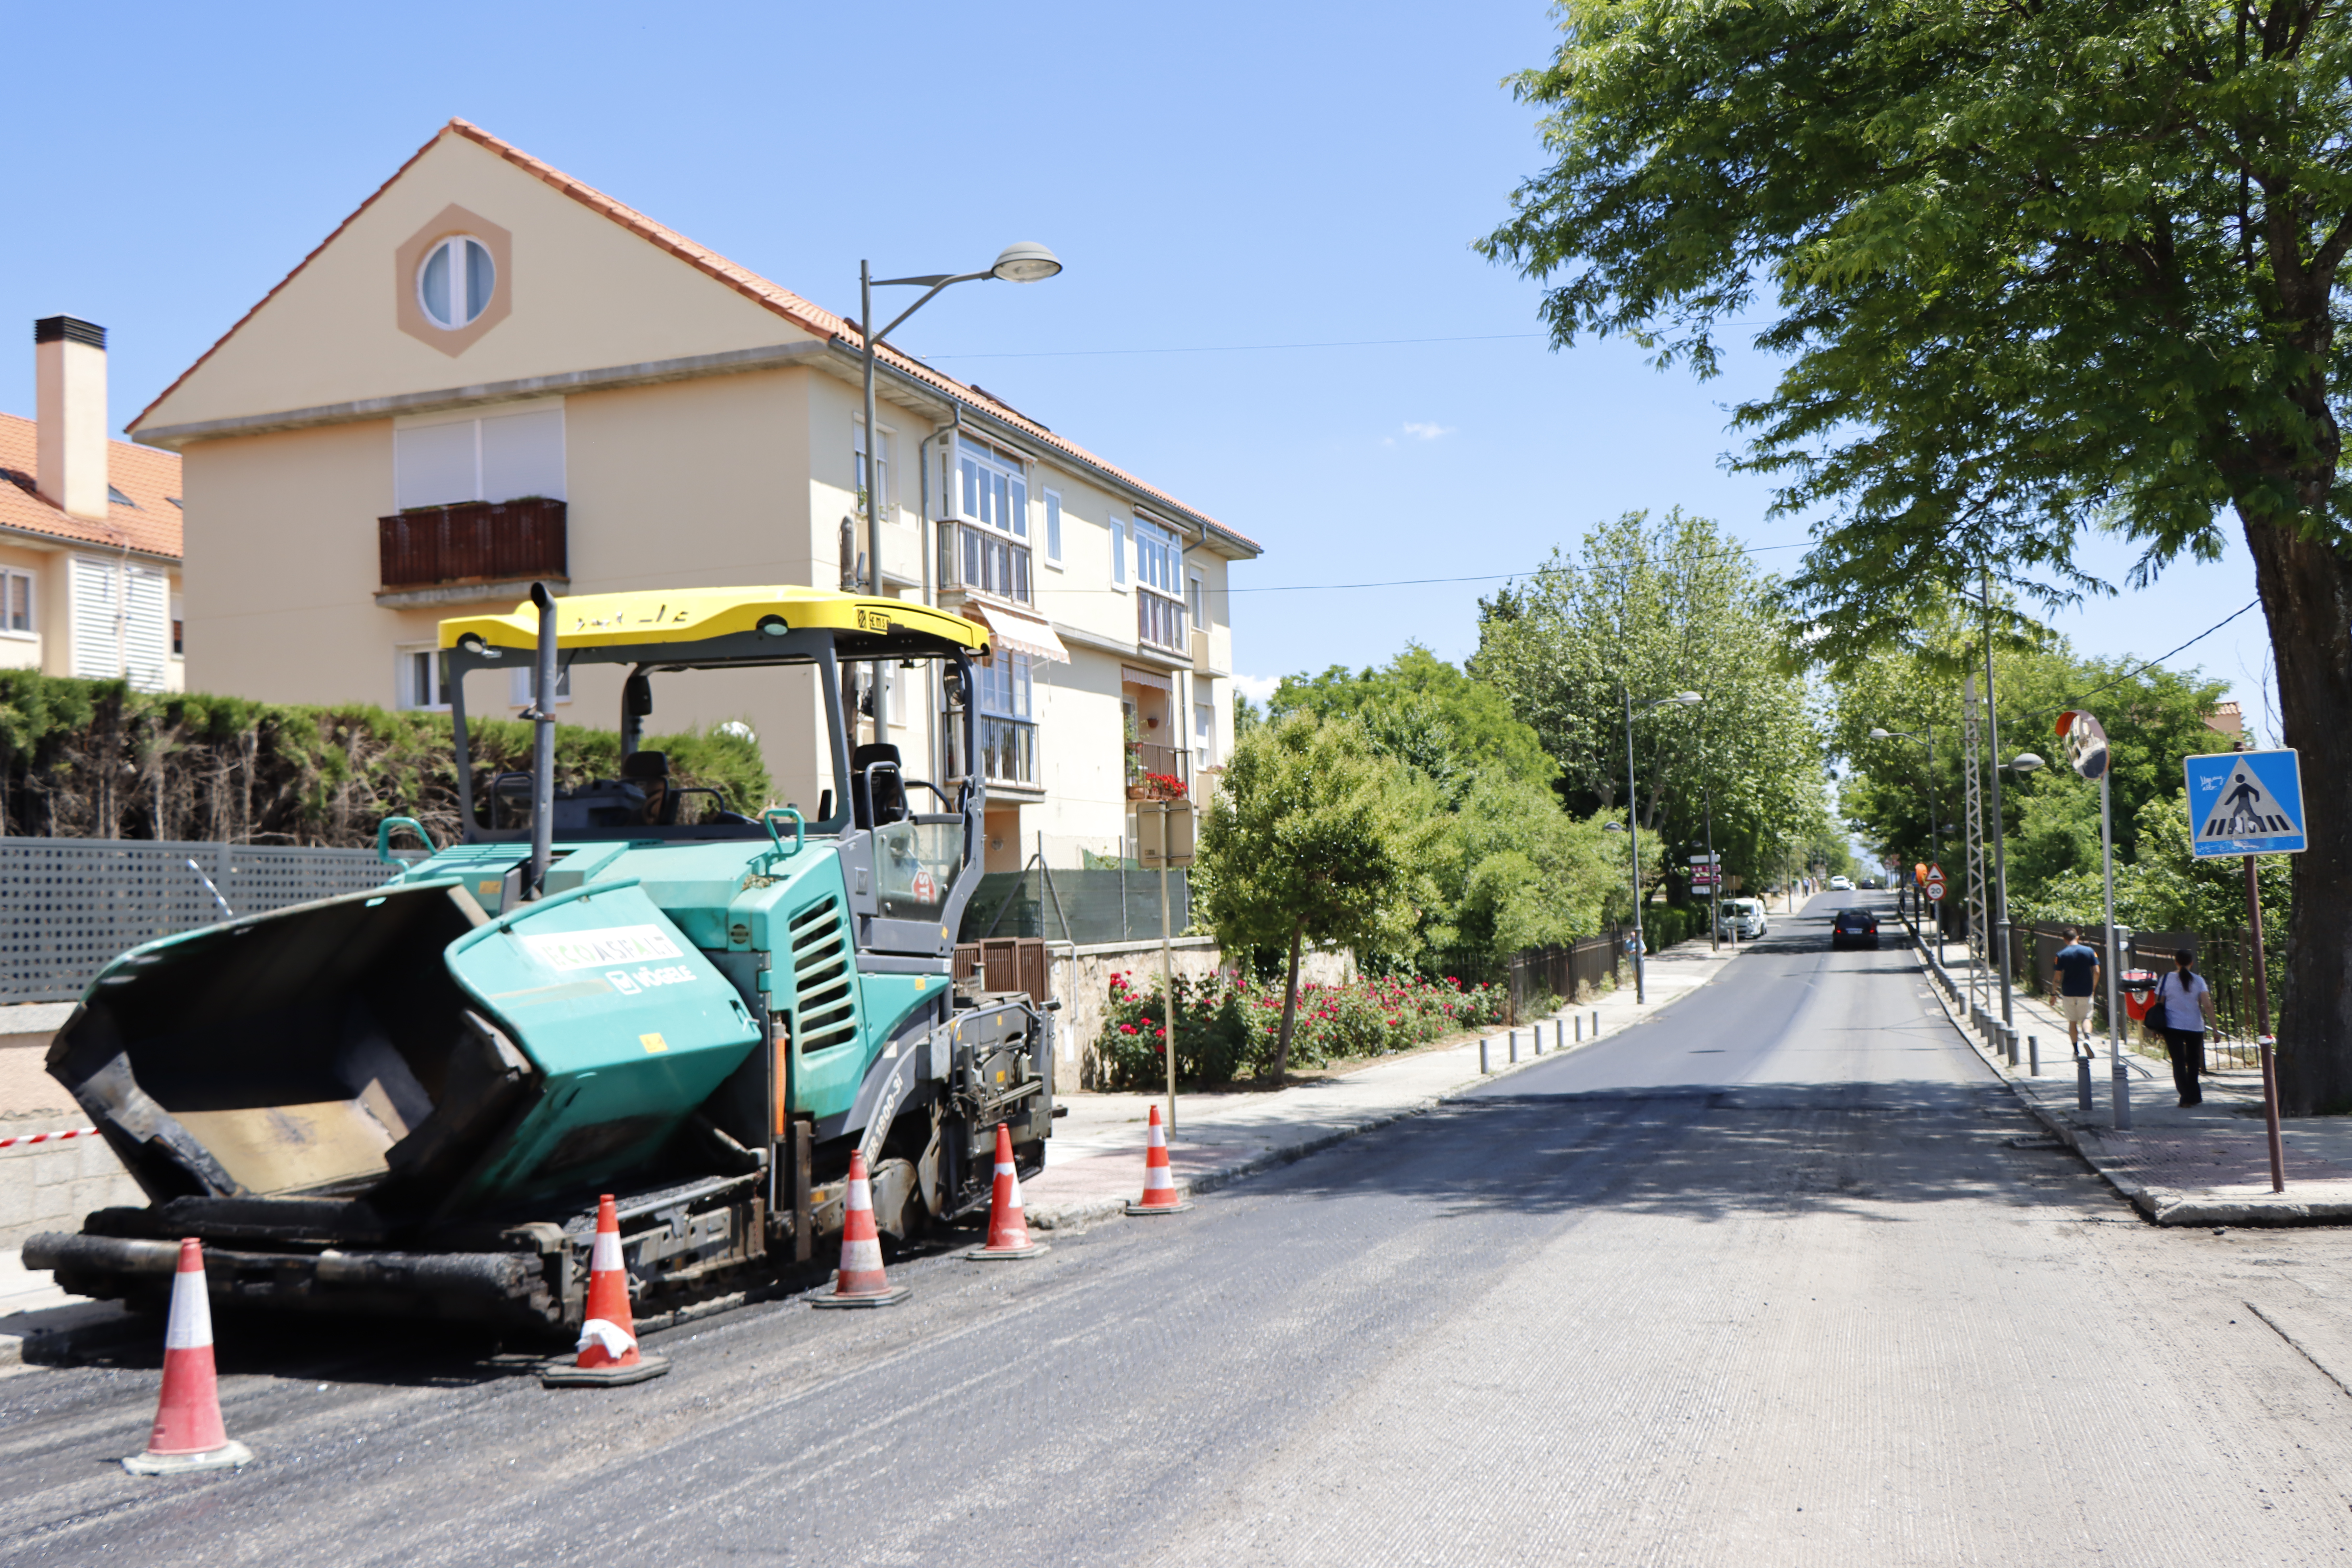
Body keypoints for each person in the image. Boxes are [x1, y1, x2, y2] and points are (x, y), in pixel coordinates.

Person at [2152, 948, 2217, 1107]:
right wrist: (2215, 1029)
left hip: (2173, 1026)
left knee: (2179, 1062)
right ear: (2192, 963)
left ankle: (2186, 1096)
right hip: (2195, 1026)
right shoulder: (2199, 981)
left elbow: (2158, 1003)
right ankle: (2194, 1094)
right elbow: (2207, 1005)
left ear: (2176, 962)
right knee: (2194, 1062)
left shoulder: (2167, 979)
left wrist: (2156, 1028)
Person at [2051, 926, 2101, 1057]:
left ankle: (2076, 1051)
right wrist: (2093, 989)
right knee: (2086, 1018)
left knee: (2073, 1021)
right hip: (2086, 991)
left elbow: (2057, 978)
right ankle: (2087, 1039)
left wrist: (2053, 994)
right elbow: (2097, 971)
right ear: (2078, 937)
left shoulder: (2061, 955)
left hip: (2068, 992)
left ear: (2065, 940)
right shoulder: (2090, 951)